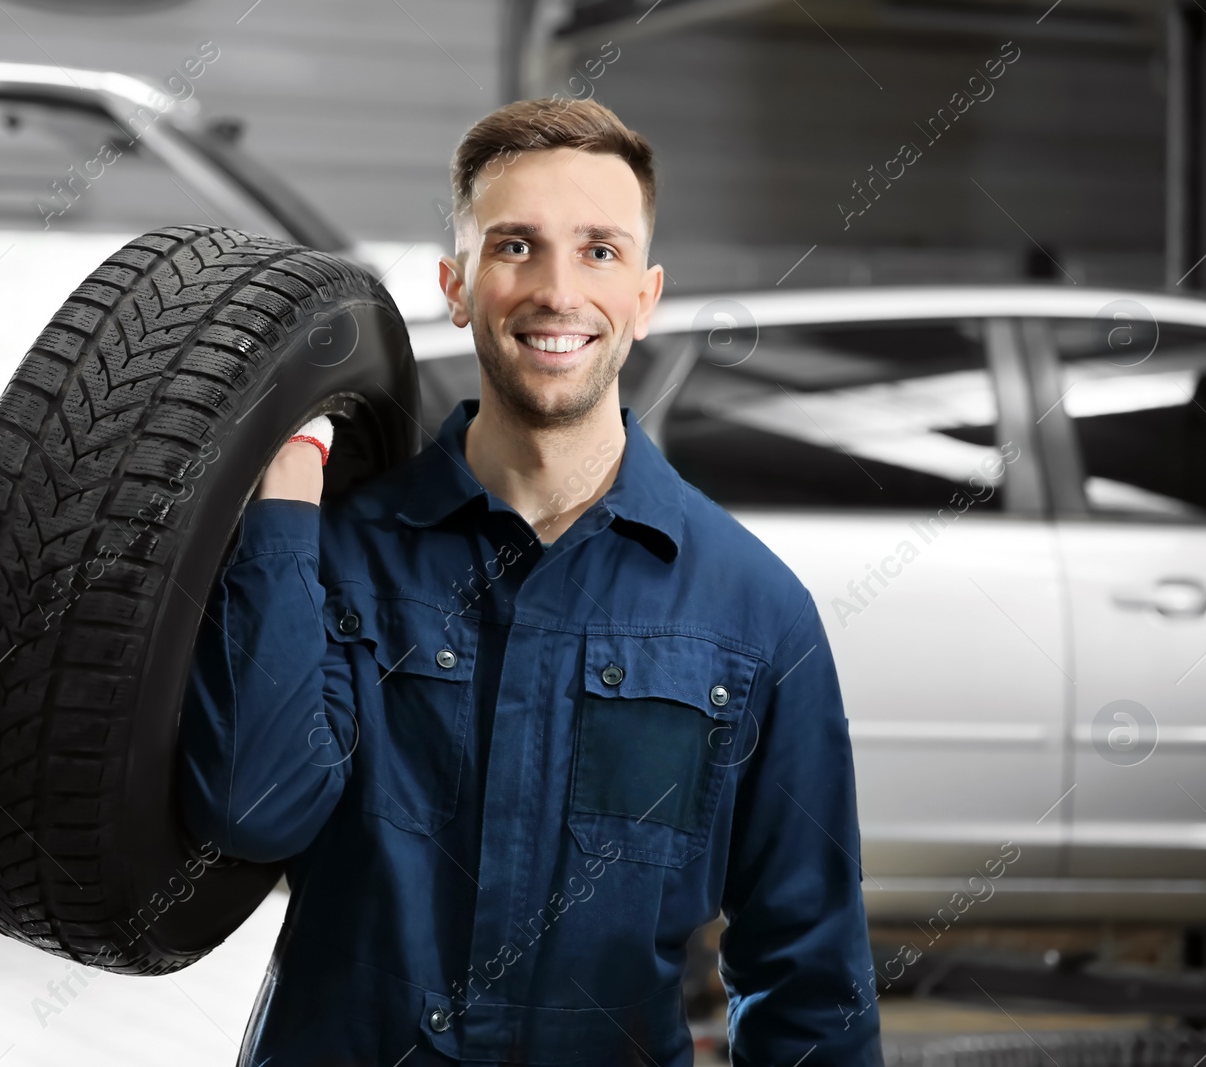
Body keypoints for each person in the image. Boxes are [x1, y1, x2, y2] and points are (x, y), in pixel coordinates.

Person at [176, 96, 881, 1066]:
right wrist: (289, 479)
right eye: (514, 246)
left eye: (599, 250)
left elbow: (811, 969)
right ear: (455, 285)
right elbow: (249, 809)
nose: (557, 291)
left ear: (646, 293)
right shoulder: (332, 554)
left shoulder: (753, 611)